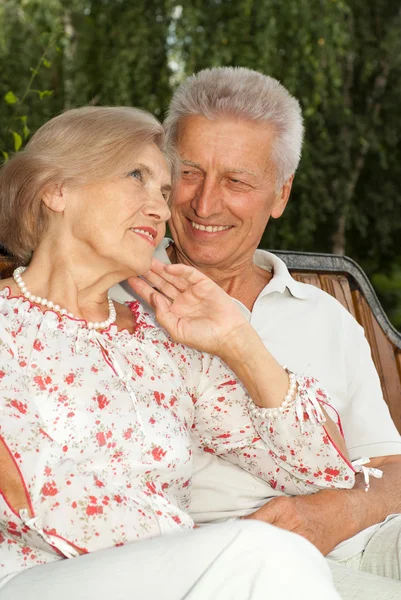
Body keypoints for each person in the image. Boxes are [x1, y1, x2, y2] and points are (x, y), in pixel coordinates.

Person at [0, 105, 343, 599]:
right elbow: (28, 488)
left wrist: (238, 340)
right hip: (28, 577)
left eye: (163, 191)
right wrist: (206, 549)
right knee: (267, 554)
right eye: (136, 177)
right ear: (56, 189)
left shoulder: (161, 342)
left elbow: (319, 470)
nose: (161, 209)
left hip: (167, 578)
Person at [112, 67, 401, 598]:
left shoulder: (325, 313)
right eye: (191, 172)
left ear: (280, 194)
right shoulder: (112, 302)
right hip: (229, 563)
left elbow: (389, 466)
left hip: (364, 539)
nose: (204, 204)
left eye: (237, 181)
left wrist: (334, 512)